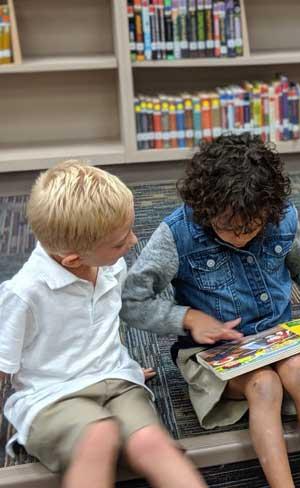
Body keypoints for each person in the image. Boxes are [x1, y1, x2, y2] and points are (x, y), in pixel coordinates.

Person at [121, 134, 300, 488]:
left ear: (268, 211)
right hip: (211, 354)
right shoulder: (177, 235)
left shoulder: (279, 219)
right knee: (265, 384)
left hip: (276, 340)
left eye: (252, 228)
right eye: (228, 228)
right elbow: (131, 301)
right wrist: (187, 318)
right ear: (206, 209)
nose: (241, 237)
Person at [0, 161, 205, 487]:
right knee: (100, 435)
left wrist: (118, 365)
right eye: (120, 240)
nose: (134, 241)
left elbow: (94, 327)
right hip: (52, 396)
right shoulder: (23, 294)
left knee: (152, 443)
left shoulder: (110, 266)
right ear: (73, 260)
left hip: (117, 382)